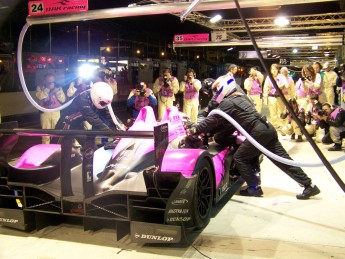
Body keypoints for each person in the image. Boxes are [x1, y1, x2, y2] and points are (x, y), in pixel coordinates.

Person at [190, 75, 320, 199]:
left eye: (217, 90)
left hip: (258, 133)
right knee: (284, 160)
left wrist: (195, 129)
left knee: (240, 157)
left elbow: (212, 120)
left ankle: (254, 187)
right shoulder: (242, 97)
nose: (216, 94)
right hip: (268, 129)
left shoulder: (228, 102)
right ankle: (309, 185)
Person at [54, 82, 126, 145]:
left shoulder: (96, 97)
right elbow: (96, 121)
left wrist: (121, 125)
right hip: (66, 124)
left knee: (89, 147)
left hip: (78, 125)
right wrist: (113, 134)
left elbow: (109, 114)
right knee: (55, 148)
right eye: (103, 103)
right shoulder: (83, 101)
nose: (104, 105)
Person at [36, 73, 66, 144]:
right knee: (45, 133)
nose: (51, 83)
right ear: (45, 81)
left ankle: (55, 148)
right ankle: (46, 150)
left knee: (56, 132)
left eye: (52, 82)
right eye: (49, 82)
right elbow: (40, 96)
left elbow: (63, 99)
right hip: (45, 112)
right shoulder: (40, 87)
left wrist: (57, 92)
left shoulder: (58, 88)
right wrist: (47, 89)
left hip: (56, 112)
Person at [263, 63, 288, 130]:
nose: (274, 70)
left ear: (278, 70)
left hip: (280, 96)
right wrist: (265, 98)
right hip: (271, 97)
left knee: (281, 111)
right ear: (271, 70)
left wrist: (281, 86)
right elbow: (265, 88)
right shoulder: (269, 77)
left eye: (275, 69)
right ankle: (275, 126)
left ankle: (282, 126)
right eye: (273, 69)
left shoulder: (282, 77)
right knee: (273, 112)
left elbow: (286, 85)